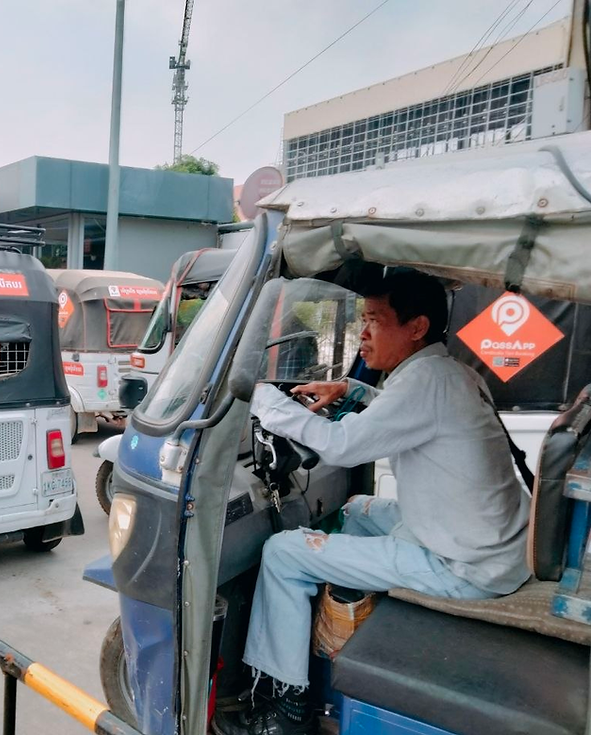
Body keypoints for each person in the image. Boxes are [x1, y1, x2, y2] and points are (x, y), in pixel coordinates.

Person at [213, 271, 531, 735]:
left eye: (375, 320)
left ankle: (286, 709)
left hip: (463, 566)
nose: (363, 332)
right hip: (489, 543)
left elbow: (339, 446)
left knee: (282, 552)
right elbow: (398, 412)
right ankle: (340, 613)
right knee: (358, 509)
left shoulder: (427, 383)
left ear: (416, 327)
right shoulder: (445, 372)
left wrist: (261, 398)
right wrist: (352, 390)